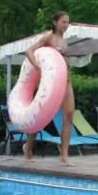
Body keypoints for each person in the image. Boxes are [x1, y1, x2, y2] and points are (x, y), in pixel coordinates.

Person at [22, 11, 75, 166]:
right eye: (64, 22)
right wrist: (37, 66)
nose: (66, 25)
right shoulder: (48, 37)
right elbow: (29, 51)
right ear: (55, 22)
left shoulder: (65, 41)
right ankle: (28, 148)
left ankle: (64, 155)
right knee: (40, 116)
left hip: (66, 81)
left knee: (70, 115)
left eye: (68, 22)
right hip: (50, 83)